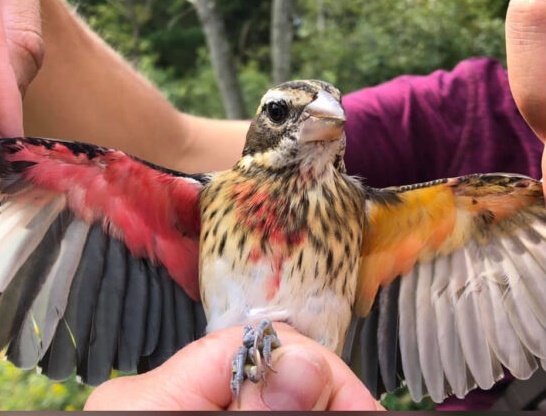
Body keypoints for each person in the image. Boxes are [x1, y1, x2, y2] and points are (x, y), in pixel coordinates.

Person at [0, 0, 545, 411]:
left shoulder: (392, 215)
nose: (320, 116)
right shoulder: (198, 202)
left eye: (327, 110)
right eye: (285, 113)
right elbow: (171, 146)